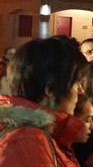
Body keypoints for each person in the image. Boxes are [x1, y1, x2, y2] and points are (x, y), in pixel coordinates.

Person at [0, 38, 88, 167]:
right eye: (76, 83)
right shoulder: (27, 141)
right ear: (51, 90)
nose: (81, 91)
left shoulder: (32, 135)